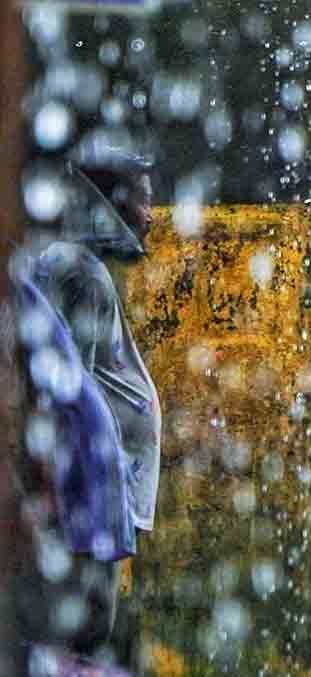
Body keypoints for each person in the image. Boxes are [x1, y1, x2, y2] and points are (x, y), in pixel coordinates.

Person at [13, 152, 161, 666]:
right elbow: (69, 393)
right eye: (144, 198)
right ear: (116, 202)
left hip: (94, 495)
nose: (152, 212)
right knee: (88, 639)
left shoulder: (77, 268)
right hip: (88, 500)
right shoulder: (78, 272)